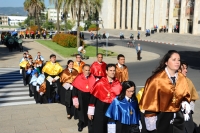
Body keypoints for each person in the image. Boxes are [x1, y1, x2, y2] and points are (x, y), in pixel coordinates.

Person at [139, 50, 191, 133]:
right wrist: (151, 125)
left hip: (178, 119)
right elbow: (150, 102)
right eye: (174, 60)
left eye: (179, 60)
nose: (177, 62)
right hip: (161, 118)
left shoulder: (182, 78)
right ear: (166, 62)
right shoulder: (156, 79)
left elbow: (185, 94)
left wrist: (185, 102)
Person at [87, 64, 122, 133]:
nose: (112, 72)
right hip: (100, 109)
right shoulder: (100, 83)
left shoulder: (118, 84)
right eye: (110, 70)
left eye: (114, 70)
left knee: (111, 128)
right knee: (100, 127)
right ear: (106, 71)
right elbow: (93, 98)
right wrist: (90, 112)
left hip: (112, 109)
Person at [72, 64, 96, 132]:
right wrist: (75, 101)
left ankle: (90, 124)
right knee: (81, 112)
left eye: (89, 70)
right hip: (81, 97)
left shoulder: (92, 77)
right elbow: (74, 91)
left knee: (90, 111)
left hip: (90, 97)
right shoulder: (78, 77)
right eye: (86, 70)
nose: (87, 72)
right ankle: (80, 124)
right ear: (82, 70)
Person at [180, 61, 199, 133]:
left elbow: (193, 97)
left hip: (186, 114)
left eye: (186, 68)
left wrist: (189, 110)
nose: (186, 71)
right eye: (184, 68)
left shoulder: (188, 81)